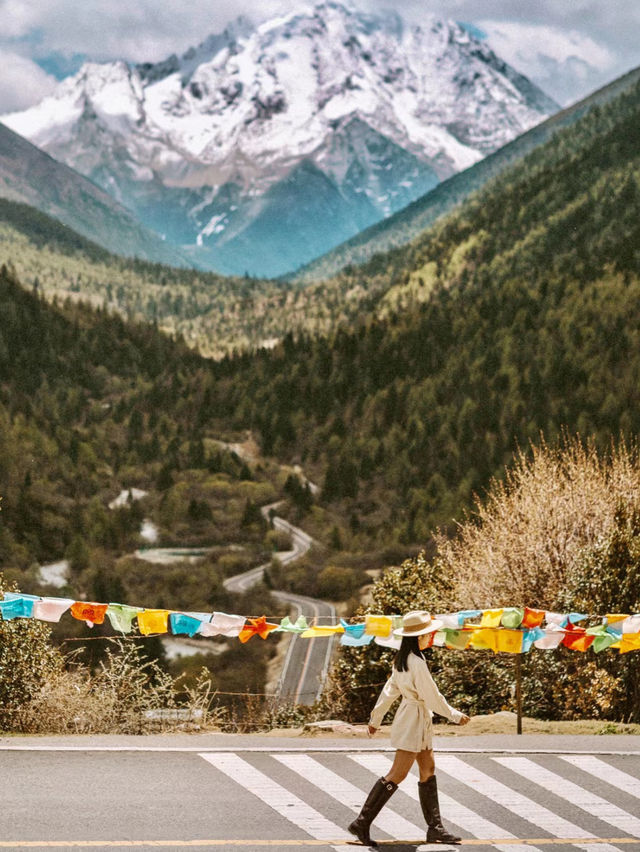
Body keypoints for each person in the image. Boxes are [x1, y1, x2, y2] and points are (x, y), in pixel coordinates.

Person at [348, 610, 470, 847]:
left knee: (428, 768)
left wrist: (376, 719)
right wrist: (454, 715)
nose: (430, 637)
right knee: (398, 773)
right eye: (426, 634)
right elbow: (431, 696)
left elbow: (389, 691)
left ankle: (435, 828)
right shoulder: (417, 663)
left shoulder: (403, 660)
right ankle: (361, 822)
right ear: (417, 638)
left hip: (414, 719)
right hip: (414, 721)